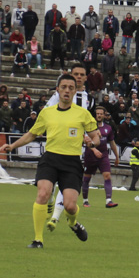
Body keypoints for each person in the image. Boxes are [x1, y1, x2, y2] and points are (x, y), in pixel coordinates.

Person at [0, 74, 100, 248]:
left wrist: (92, 143)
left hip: (72, 162)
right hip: (50, 158)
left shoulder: (82, 114)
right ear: (58, 90)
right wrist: (12, 145)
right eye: (64, 87)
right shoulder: (47, 113)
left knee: (70, 206)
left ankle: (72, 223)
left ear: (75, 91)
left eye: (71, 87)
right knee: (43, 193)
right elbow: (32, 134)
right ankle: (38, 240)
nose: (67, 90)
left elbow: (96, 137)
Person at [45, 64, 92, 229]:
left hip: (74, 150)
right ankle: (51, 201)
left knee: (66, 184)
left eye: (82, 74)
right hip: (55, 145)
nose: (79, 77)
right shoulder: (59, 95)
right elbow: (46, 113)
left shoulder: (88, 98)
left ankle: (55, 217)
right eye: (76, 74)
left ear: (86, 78)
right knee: (49, 184)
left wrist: (88, 137)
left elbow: (88, 123)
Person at [81, 106, 120, 208]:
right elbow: (86, 141)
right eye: (97, 113)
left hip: (103, 155)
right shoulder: (89, 127)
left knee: (107, 176)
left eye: (101, 114)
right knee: (86, 178)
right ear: (95, 115)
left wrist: (117, 157)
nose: (99, 115)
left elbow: (112, 143)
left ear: (104, 115)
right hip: (90, 155)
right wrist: (94, 150)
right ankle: (85, 201)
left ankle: (108, 200)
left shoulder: (108, 128)